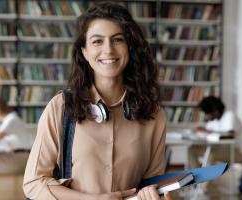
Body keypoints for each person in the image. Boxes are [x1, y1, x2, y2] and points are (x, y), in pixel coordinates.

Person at [23, 2, 171, 200]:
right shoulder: (61, 108)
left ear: (129, 46)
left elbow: (153, 183)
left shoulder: (153, 114)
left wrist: (157, 194)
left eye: (117, 40)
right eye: (97, 41)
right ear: (84, 51)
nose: (108, 50)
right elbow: (34, 183)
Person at [188, 96, 242, 168]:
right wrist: (199, 131)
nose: (206, 117)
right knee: (191, 150)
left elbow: (229, 135)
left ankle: (206, 177)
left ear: (215, 111)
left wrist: (207, 131)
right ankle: (197, 175)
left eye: (207, 113)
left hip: (237, 151)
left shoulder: (229, 116)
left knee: (210, 155)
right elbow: (208, 133)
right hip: (218, 149)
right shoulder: (213, 121)